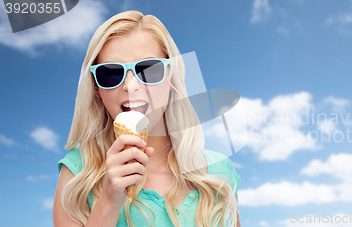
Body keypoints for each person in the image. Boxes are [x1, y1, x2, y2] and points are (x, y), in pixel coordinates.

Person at [53, 10, 241, 227]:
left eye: (149, 70)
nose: (130, 86)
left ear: (171, 76)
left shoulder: (220, 172)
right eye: (111, 73)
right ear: (96, 88)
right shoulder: (78, 173)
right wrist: (108, 200)